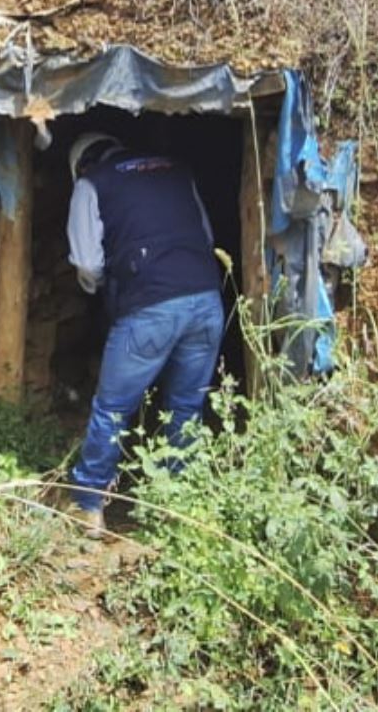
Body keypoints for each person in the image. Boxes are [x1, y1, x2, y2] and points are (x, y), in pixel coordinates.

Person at [64, 132, 225, 536]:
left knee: (113, 408)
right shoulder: (176, 171)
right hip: (207, 301)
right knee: (186, 406)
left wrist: (102, 287)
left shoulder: (91, 184)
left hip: (150, 309)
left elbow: (87, 262)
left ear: (81, 165)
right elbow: (206, 237)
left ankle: (88, 505)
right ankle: (176, 505)